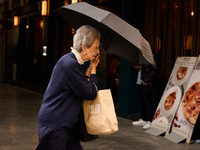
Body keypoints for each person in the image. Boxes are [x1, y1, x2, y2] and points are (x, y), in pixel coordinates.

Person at [36, 25, 101, 150]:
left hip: (63, 123)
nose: (98, 52)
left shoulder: (70, 61)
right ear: (84, 47)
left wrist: (86, 77)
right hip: (55, 124)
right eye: (96, 47)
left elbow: (79, 89)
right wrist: (93, 70)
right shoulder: (70, 64)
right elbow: (90, 93)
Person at [132, 52, 159, 130]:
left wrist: (146, 80)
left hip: (147, 82)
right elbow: (143, 67)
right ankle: (143, 119)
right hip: (140, 80)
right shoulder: (141, 55)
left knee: (147, 101)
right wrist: (138, 66)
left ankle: (149, 121)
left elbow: (155, 69)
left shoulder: (152, 55)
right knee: (141, 100)